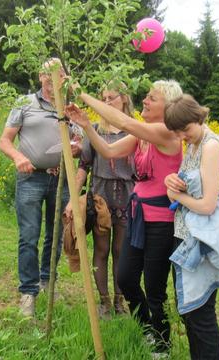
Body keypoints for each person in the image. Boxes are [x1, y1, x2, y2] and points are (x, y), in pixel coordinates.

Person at [65, 80, 183, 353]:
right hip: (138, 215)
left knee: (154, 289)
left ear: (168, 107)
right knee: (127, 278)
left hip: (161, 221)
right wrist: (85, 126)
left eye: (152, 98)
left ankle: (161, 346)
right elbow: (108, 151)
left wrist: (82, 93)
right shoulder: (142, 136)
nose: (145, 100)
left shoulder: (166, 132)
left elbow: (124, 123)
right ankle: (147, 330)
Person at [164, 95, 219, 360]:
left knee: (201, 314)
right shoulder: (194, 145)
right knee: (189, 309)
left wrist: (177, 197)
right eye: (177, 133)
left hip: (201, 241)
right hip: (187, 237)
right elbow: (188, 189)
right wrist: (173, 184)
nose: (182, 137)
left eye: (185, 130)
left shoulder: (210, 146)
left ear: (198, 118)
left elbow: (209, 205)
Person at [0, 58, 79, 318]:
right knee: (29, 236)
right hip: (31, 177)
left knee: (55, 236)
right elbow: (5, 140)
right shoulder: (24, 104)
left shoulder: (69, 108)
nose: (52, 77)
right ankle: (28, 292)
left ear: (64, 78)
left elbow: (78, 140)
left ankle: (48, 283)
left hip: (61, 180)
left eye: (58, 73)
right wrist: (18, 157)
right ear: (39, 76)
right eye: (47, 72)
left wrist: (77, 147)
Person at [64, 83, 136, 318]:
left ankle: (119, 301)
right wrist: (73, 199)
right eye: (102, 98)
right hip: (101, 197)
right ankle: (104, 302)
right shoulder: (93, 129)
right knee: (102, 250)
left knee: (121, 251)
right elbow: (83, 166)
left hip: (127, 196)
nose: (106, 102)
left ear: (123, 99)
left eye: (111, 98)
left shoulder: (134, 132)